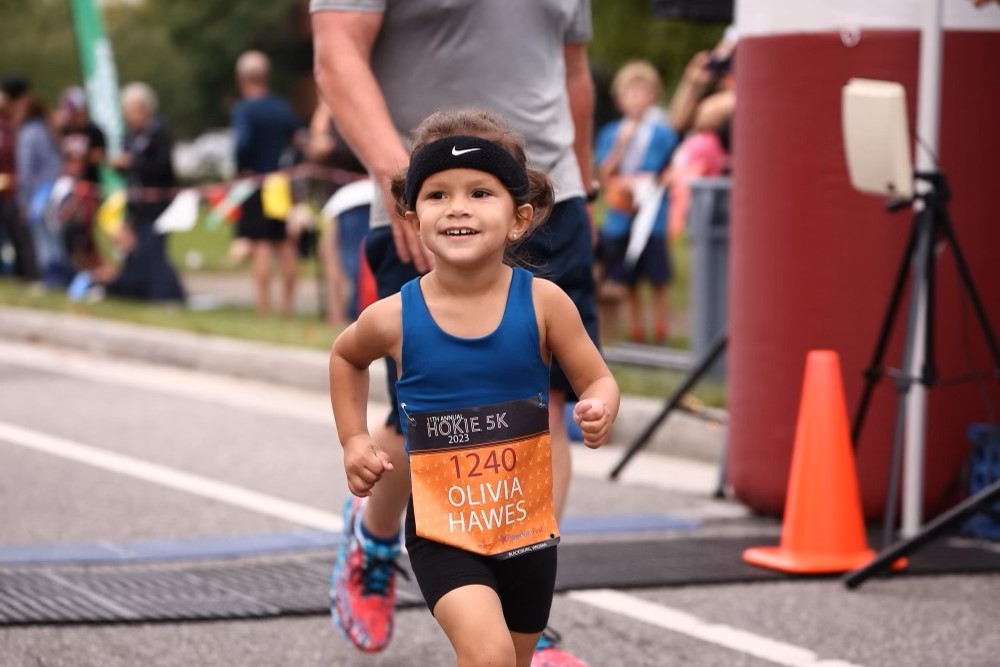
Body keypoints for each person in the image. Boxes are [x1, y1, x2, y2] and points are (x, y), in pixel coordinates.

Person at [311, 2, 599, 664]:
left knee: (540, 401)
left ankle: (518, 580)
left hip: (549, 190)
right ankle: (378, 535)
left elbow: (572, 69)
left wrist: (584, 181)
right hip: (416, 183)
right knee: (424, 408)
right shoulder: (430, 206)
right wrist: (406, 187)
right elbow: (335, 55)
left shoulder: (543, 280)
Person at [595, 61, 678, 345]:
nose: (637, 99)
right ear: (620, 99)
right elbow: (603, 172)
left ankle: (661, 330)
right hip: (621, 212)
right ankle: (634, 329)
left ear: (653, 96)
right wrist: (620, 145)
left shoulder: (662, 132)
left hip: (652, 211)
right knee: (626, 275)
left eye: (643, 92)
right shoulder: (611, 133)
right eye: (631, 93)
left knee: (657, 275)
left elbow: (671, 166)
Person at [230, 50, 302, 316]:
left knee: (260, 243)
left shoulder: (244, 109)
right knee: (284, 244)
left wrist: (241, 168)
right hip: (280, 183)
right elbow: (298, 139)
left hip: (256, 181)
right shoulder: (281, 108)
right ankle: (288, 306)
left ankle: (263, 306)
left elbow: (242, 143)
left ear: (241, 79)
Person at [105, 82, 185, 303]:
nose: (129, 116)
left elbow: (163, 168)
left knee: (153, 250)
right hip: (136, 204)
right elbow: (131, 175)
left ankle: (167, 294)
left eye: (133, 110)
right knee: (137, 252)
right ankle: (137, 290)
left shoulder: (158, 134)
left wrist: (134, 163)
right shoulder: (129, 137)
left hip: (157, 205)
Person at [54, 86, 107, 278]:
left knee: (83, 231)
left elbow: (100, 155)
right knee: (66, 230)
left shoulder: (93, 131)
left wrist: (81, 159)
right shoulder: (64, 130)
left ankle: (96, 270)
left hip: (88, 187)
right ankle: (79, 269)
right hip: (67, 188)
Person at [0, 75, 38, 282]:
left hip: (14, 189)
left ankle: (28, 275)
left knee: (20, 235)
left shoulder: (19, 124)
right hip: (7, 187)